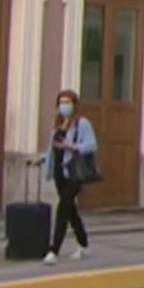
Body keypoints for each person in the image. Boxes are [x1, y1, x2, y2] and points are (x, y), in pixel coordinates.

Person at [45, 89, 97, 265]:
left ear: (74, 105)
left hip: (74, 171)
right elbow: (53, 149)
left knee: (63, 207)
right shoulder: (58, 124)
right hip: (60, 171)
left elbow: (91, 145)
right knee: (69, 208)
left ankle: (53, 250)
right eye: (61, 102)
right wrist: (43, 160)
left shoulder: (82, 124)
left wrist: (72, 146)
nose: (64, 106)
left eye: (67, 102)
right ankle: (83, 242)